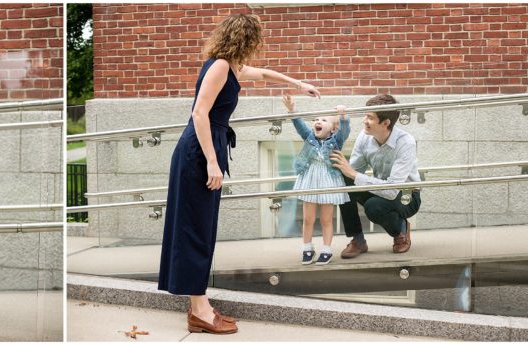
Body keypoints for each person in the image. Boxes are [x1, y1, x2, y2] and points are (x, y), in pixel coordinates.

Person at [157, 13, 320, 335]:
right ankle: (199, 310)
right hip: (199, 153)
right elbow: (199, 113)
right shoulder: (219, 66)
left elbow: (263, 74)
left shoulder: (231, 66)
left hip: (206, 148)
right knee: (195, 229)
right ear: (246, 40)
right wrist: (212, 163)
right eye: (255, 41)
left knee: (199, 227)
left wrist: (298, 85)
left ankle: (198, 306)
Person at [329, 94, 422, 259]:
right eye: (365, 115)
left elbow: (392, 190)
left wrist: (353, 173)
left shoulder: (405, 142)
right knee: (343, 181)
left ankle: (400, 231)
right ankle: (358, 240)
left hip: (407, 195)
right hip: (379, 189)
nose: (364, 120)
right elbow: (353, 172)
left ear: (385, 123)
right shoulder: (364, 137)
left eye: (370, 117)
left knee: (374, 206)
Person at [283, 95, 350, 265]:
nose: (317, 122)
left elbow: (344, 130)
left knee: (326, 219)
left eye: (324, 120)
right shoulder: (309, 137)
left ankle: (326, 249)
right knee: (308, 218)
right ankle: (307, 247)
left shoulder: (336, 140)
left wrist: (343, 116)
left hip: (328, 179)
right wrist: (292, 109)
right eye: (316, 119)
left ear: (333, 129)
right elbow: (299, 125)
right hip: (310, 178)